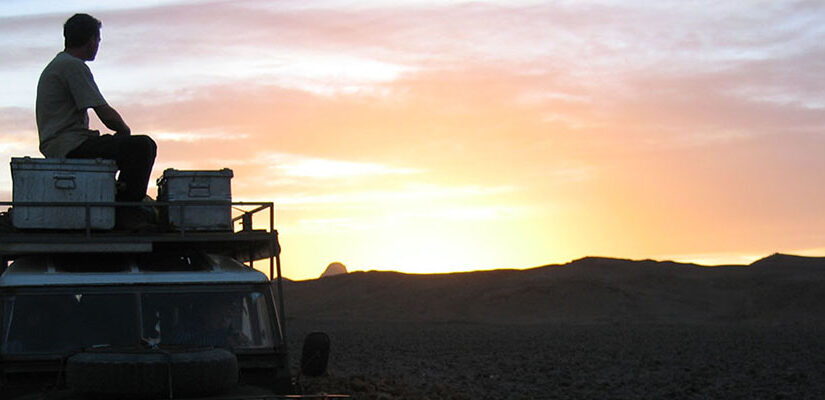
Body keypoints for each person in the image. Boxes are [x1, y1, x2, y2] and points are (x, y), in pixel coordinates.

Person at [35, 13, 156, 228]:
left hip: (62, 143)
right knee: (142, 146)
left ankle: (119, 200)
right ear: (91, 39)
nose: (98, 45)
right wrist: (124, 131)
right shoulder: (72, 66)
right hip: (69, 145)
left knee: (121, 148)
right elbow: (104, 112)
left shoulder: (60, 64)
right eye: (98, 40)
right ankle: (125, 213)